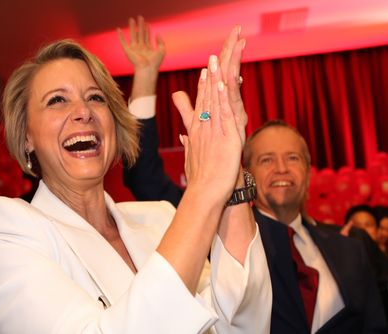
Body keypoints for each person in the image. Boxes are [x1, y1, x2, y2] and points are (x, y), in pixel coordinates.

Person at [0, 20, 272, 334]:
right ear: (27, 136)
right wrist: (204, 188)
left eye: (96, 97)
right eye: (57, 100)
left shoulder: (162, 219)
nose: (83, 111)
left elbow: (243, 325)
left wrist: (229, 173)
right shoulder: (2, 229)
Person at [120, 18, 388, 333]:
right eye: (266, 159)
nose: (282, 169)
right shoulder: (218, 231)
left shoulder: (351, 249)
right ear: (246, 168)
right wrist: (146, 75)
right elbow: (144, 177)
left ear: (309, 168)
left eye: (292, 158)